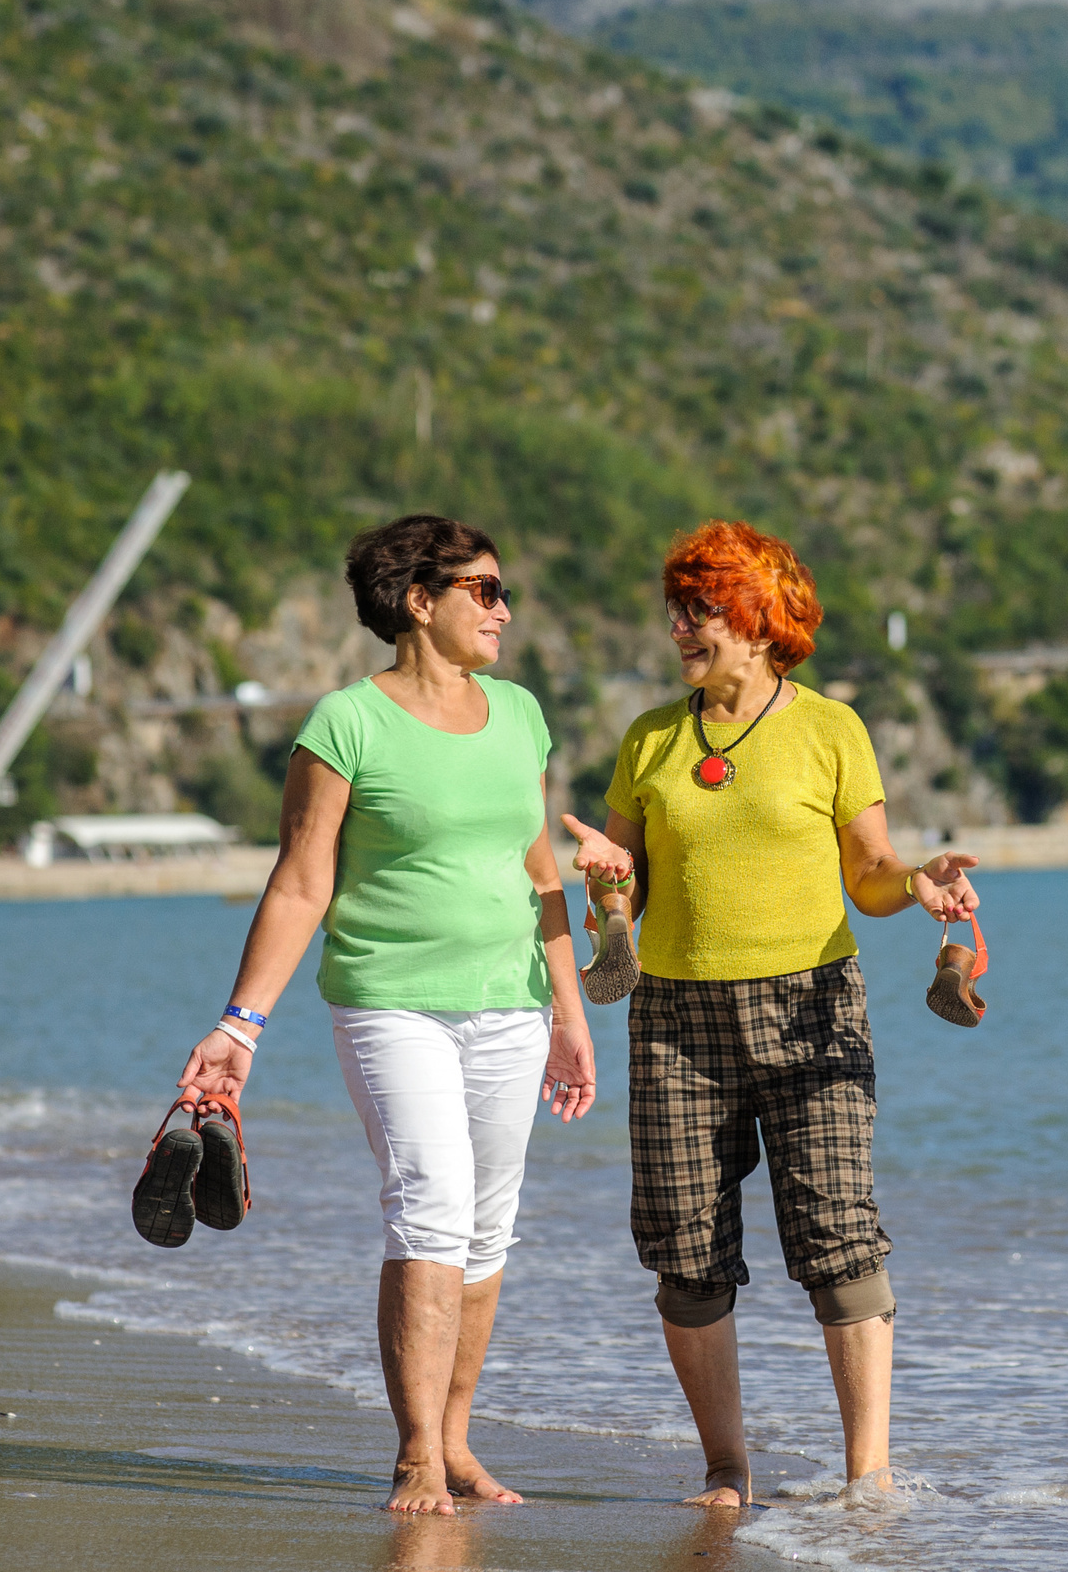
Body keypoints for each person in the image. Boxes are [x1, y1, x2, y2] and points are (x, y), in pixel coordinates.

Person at [173, 513, 634, 1515]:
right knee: (429, 1198)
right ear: (417, 601)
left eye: (504, 591)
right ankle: (416, 1453)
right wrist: (239, 1025)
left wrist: (570, 1008)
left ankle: (459, 1443)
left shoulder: (518, 715)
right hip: (390, 1000)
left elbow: (536, 867)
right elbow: (300, 881)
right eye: (484, 590)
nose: (503, 610)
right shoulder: (346, 723)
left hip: (510, 1004)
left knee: (487, 1226)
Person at [588, 519, 980, 1506]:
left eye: (704, 607)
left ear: (762, 618)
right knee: (684, 1252)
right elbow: (622, 886)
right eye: (677, 608)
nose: (682, 624)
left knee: (838, 1239)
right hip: (675, 1019)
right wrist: (603, 892)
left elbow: (870, 874)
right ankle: (726, 1468)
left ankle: (868, 1476)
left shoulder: (831, 728)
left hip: (814, 1009)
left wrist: (921, 882)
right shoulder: (650, 738)